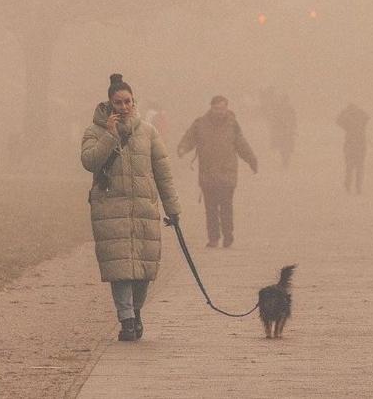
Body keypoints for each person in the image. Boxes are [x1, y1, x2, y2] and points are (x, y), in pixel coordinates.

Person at [81, 74, 181, 342]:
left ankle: (136, 311)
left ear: (133, 102)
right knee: (121, 270)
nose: (123, 107)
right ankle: (126, 319)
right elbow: (89, 161)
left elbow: (163, 172)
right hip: (111, 209)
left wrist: (173, 208)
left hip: (143, 209)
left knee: (144, 270)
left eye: (127, 102)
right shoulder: (94, 131)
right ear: (109, 104)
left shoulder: (148, 131)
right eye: (118, 103)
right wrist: (110, 137)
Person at [178, 95, 257, 248]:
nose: (219, 111)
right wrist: (182, 149)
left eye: (222, 108)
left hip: (227, 174)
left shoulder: (232, 125)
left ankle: (228, 236)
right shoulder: (200, 124)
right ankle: (213, 238)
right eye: (216, 108)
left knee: (226, 206)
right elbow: (189, 138)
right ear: (211, 107)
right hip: (207, 174)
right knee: (211, 208)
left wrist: (252, 160)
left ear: (227, 108)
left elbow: (242, 145)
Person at [336, 103, 369, 194]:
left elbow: (338, 120)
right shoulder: (361, 122)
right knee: (359, 167)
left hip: (350, 146)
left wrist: (346, 111)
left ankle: (348, 185)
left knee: (349, 167)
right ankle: (358, 187)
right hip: (360, 146)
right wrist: (358, 110)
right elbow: (367, 117)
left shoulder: (348, 124)